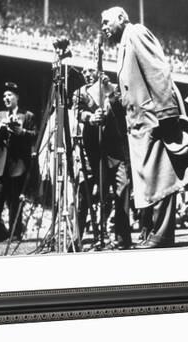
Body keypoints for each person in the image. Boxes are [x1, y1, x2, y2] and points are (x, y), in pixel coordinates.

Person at [100, 6, 188, 248]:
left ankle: (162, 234)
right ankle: (153, 232)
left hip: (153, 119)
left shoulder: (136, 33)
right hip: (139, 123)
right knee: (150, 179)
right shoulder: (124, 43)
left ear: (121, 18)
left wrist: (166, 114)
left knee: (162, 177)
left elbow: (158, 70)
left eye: (105, 22)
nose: (103, 27)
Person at [72, 64, 132, 249]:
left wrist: (108, 93)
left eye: (90, 70)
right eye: (84, 72)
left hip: (115, 150)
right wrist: (90, 117)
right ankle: (77, 239)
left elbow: (123, 109)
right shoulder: (80, 92)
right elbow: (77, 111)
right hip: (92, 151)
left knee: (122, 191)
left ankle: (122, 238)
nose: (87, 74)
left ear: (99, 70)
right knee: (85, 195)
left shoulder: (113, 88)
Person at [0, 82, 37, 244]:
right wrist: (0, 130)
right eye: (4, 96)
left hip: (17, 167)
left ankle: (15, 236)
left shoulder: (27, 116)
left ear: (17, 97)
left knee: (15, 204)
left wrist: (22, 132)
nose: (6, 98)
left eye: (10, 95)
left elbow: (35, 135)